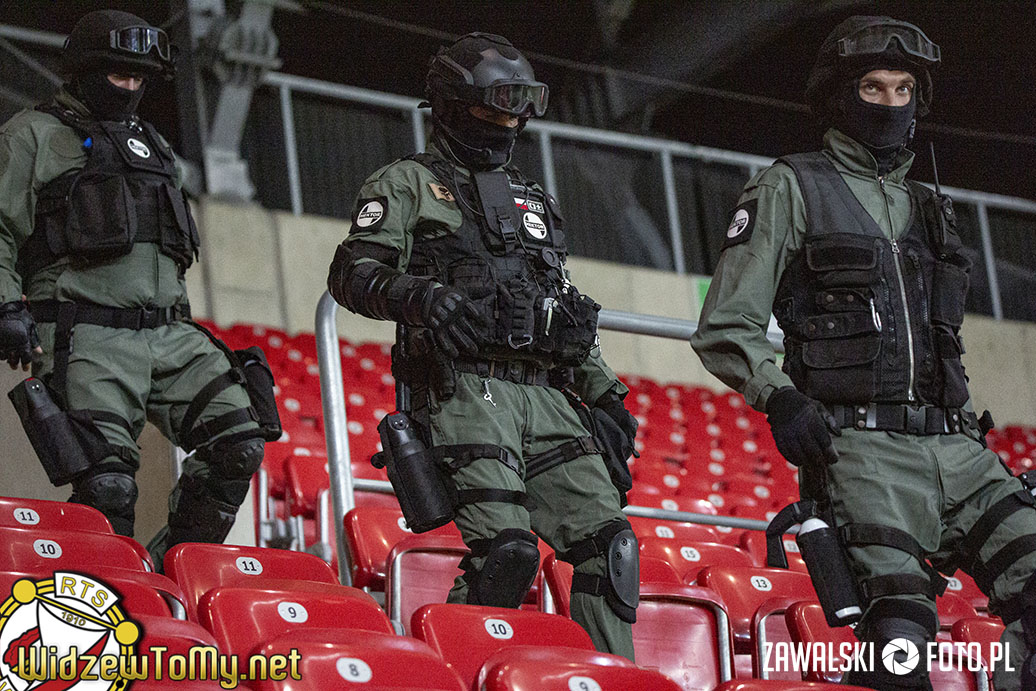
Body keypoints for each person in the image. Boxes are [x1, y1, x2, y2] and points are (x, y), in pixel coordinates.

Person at [691, 16, 1036, 691]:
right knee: (899, 644)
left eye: (904, 89)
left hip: (961, 448)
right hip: (863, 453)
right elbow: (725, 325)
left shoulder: (930, 205)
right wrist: (780, 397)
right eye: (872, 87)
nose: (889, 103)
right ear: (839, 95)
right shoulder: (790, 186)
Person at [327, 32, 639, 658]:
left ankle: (611, 676)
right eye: (495, 108)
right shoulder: (407, 183)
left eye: (520, 109)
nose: (511, 123)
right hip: (465, 393)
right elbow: (350, 273)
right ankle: (452, 669)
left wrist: (607, 395)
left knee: (612, 550)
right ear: (452, 104)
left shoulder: (534, 200)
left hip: (549, 395)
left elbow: (562, 305)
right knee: (507, 553)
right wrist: (419, 296)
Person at [0, 10, 278, 567]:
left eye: (140, 78)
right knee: (109, 488)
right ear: (84, 71)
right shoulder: (30, 136)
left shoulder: (152, 144)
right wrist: (6, 306)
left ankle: (170, 571)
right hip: (87, 335)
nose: (130, 88)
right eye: (118, 75)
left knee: (239, 441)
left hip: (170, 332)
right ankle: (106, 602)